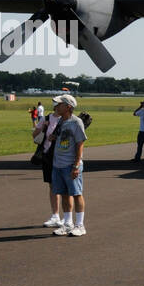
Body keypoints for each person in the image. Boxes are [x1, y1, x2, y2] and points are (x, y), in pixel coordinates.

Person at [49, 95, 88, 237]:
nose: (56, 107)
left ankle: (80, 225)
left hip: (70, 164)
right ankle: (67, 223)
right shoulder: (60, 121)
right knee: (64, 194)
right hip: (58, 164)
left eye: (59, 105)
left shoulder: (76, 122)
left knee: (77, 194)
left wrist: (76, 165)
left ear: (68, 107)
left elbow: (80, 143)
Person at [34, 110, 64, 228]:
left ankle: (67, 217)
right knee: (52, 185)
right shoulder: (46, 119)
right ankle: (55, 215)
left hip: (62, 156)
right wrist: (43, 129)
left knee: (64, 186)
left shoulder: (67, 120)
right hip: (48, 156)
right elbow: (34, 136)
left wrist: (57, 138)